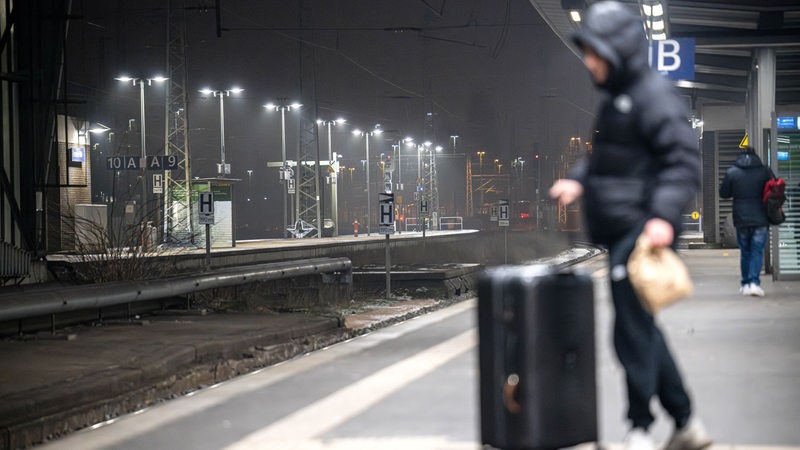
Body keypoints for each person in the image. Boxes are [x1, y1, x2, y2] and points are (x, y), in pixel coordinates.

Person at [548, 2, 712, 449]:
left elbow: (682, 162)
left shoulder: (652, 98)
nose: (590, 62)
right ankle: (686, 425)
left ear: (617, 49)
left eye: (596, 52)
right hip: (625, 227)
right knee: (640, 330)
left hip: (639, 232)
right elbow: (607, 162)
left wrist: (661, 216)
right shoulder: (619, 99)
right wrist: (578, 180)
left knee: (631, 334)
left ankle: (640, 428)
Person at [719, 146, 773, 297]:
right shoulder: (764, 171)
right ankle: (754, 283)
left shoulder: (732, 172)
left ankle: (745, 284)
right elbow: (773, 189)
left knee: (746, 251)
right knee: (757, 250)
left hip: (741, 217)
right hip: (761, 216)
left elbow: (724, 193)